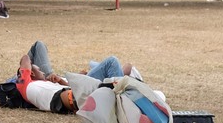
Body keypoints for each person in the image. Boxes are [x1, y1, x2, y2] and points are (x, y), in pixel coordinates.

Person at [13, 41, 141, 114]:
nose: (41, 70)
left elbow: (66, 88)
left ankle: (123, 85)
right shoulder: (26, 84)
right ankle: (123, 92)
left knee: (122, 69)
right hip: (71, 96)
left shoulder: (45, 84)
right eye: (38, 69)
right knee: (113, 63)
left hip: (70, 91)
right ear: (31, 73)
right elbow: (25, 58)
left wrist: (60, 80)